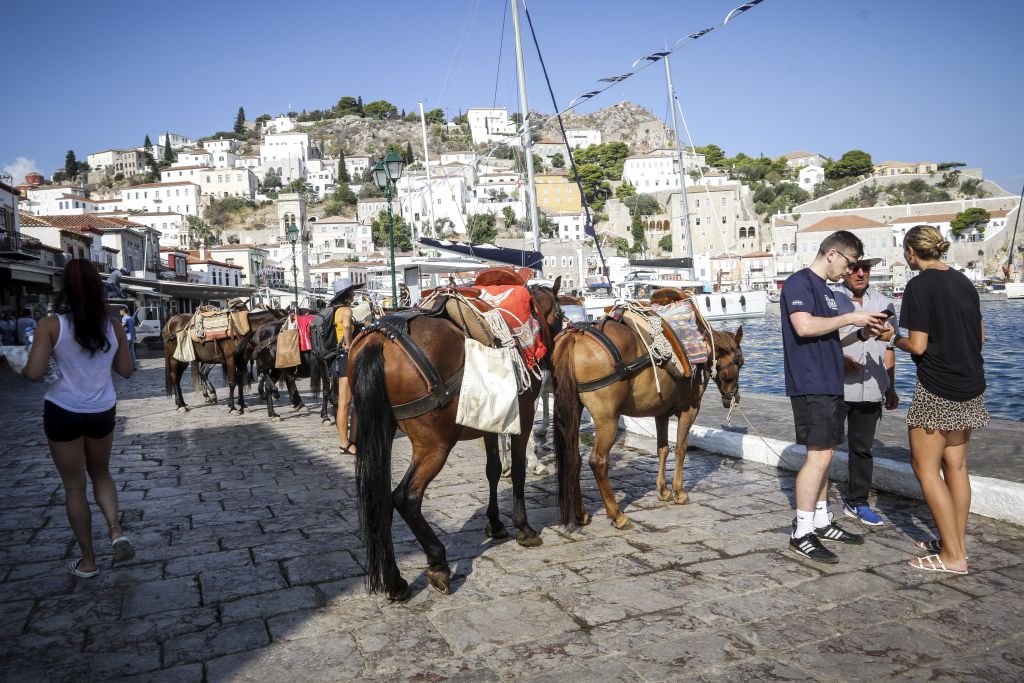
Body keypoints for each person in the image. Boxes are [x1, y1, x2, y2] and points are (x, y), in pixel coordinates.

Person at [23, 259, 135, 578]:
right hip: (101, 410)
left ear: (64, 288)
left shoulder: (50, 325)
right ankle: (115, 530)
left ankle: (88, 561)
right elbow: (126, 371)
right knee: (101, 473)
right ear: (99, 287)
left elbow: (34, 372)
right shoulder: (113, 326)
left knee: (74, 487)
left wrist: (20, 361)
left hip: (63, 409)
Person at [780, 230, 888, 564]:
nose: (850, 270)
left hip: (829, 383)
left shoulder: (827, 290)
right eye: (850, 262)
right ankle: (802, 532)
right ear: (832, 254)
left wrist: (860, 333)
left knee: (825, 455)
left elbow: (829, 339)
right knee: (818, 457)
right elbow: (803, 327)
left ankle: (821, 520)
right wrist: (851, 316)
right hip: (810, 382)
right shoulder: (799, 283)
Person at [894, 225, 987, 575]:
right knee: (956, 466)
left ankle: (953, 557)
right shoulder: (963, 281)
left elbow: (917, 346)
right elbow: (980, 336)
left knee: (926, 469)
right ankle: (955, 543)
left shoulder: (919, 285)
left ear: (910, 252)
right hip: (970, 384)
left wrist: (891, 339)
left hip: (937, 388)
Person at [830, 257, 899, 526]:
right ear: (845, 271)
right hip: (837, 387)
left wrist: (891, 386)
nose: (860, 273)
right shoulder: (831, 300)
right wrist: (838, 359)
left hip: (872, 387)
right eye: (855, 268)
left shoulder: (884, 302)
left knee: (862, 449)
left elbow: (889, 347)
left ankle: (857, 502)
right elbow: (820, 340)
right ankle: (818, 504)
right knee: (825, 447)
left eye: (865, 268)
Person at [331, 278, 363, 455]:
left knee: (353, 401)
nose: (354, 294)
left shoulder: (335, 310)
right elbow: (346, 325)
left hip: (340, 358)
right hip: (345, 357)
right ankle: (344, 443)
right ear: (347, 294)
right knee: (345, 402)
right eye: (352, 292)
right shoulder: (346, 310)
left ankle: (353, 438)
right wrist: (349, 347)